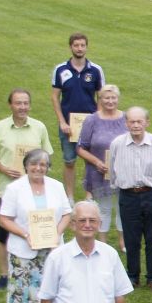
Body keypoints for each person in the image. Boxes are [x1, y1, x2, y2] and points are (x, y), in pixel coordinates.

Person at [0, 149, 72, 303]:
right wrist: (25, 235)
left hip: (52, 248)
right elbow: (4, 219)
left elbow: (67, 214)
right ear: (26, 166)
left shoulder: (56, 186)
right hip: (24, 249)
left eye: (43, 165)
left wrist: (57, 233)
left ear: (48, 168)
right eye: (34, 164)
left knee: (56, 289)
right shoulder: (15, 189)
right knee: (24, 291)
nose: (38, 168)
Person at [0, 88, 53, 290]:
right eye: (18, 103)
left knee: (37, 228)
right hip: (8, 190)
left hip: (36, 190)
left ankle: (39, 270)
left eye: (25, 103)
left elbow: (47, 155)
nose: (22, 107)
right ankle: (5, 274)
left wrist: (41, 169)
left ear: (30, 105)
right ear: (10, 105)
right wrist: (4, 169)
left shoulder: (39, 128)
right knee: (5, 233)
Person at [107, 107, 152, 292]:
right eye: (132, 121)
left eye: (139, 121)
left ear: (147, 122)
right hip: (128, 195)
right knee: (131, 239)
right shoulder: (117, 143)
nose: (135, 125)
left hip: (151, 193)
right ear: (126, 123)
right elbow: (112, 170)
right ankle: (132, 276)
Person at [50, 32, 105, 200]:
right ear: (71, 47)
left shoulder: (95, 70)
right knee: (69, 161)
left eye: (82, 45)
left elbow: (101, 96)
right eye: (76, 45)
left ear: (87, 47)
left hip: (90, 124)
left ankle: (90, 196)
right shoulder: (61, 70)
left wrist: (98, 120)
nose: (79, 48)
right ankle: (70, 197)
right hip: (68, 125)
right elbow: (54, 97)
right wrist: (62, 122)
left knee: (91, 161)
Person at [74, 83, 128, 253]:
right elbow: (80, 147)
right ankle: (102, 242)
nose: (110, 101)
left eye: (113, 98)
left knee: (122, 207)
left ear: (118, 99)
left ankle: (122, 241)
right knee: (103, 208)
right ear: (100, 99)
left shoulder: (126, 118)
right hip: (99, 173)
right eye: (106, 98)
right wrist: (97, 162)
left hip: (122, 172)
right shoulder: (92, 120)